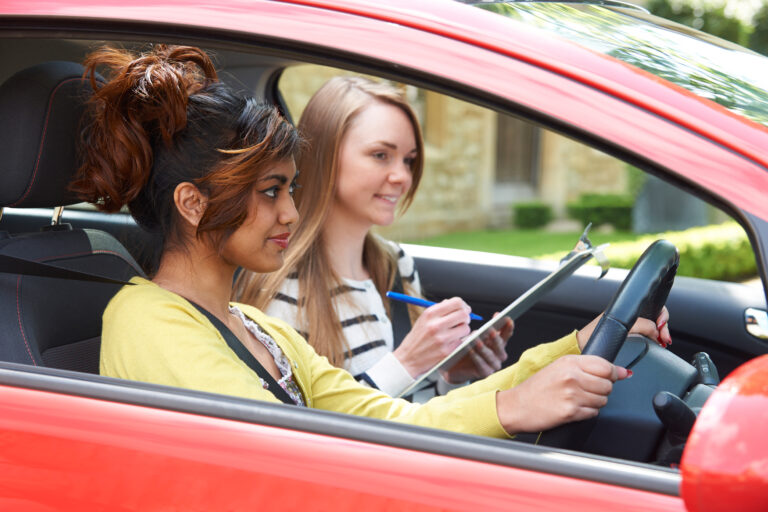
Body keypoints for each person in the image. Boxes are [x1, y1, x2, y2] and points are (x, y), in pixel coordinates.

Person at [76, 45, 669, 439]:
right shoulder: (146, 319)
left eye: (291, 188)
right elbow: (277, 465)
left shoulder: (260, 329)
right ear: (192, 203)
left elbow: (397, 421)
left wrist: (573, 347)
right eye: (271, 191)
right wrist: (512, 408)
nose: (289, 210)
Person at [234, 77, 671, 399]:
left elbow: (415, 406)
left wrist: (450, 372)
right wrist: (409, 361)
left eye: (408, 159)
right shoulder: (283, 289)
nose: (401, 176)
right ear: (325, 156)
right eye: (380, 155)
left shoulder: (394, 262)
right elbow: (299, 427)